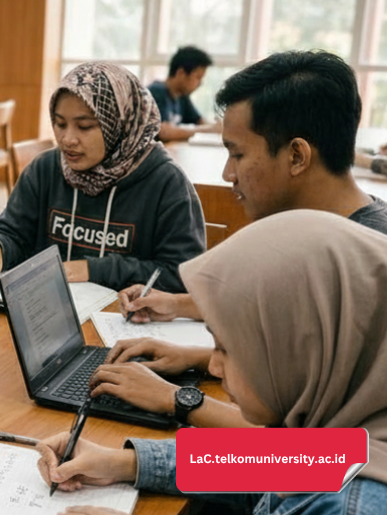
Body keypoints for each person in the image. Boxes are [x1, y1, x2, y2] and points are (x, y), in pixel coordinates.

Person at [97, 51, 387, 428]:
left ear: (297, 156)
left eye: (238, 153)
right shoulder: (329, 240)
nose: (227, 173)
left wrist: (180, 401)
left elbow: (311, 462)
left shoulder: (364, 266)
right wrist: (194, 344)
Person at [38, 211, 387, 515]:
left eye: (226, 348)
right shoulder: (355, 434)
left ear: (300, 354)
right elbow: (274, 462)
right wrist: (124, 462)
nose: (214, 367)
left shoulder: (353, 506)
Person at [0, 62, 205, 294]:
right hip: (49, 316)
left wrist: (92, 269)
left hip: (125, 322)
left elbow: (182, 275)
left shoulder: (166, 183)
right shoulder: (45, 169)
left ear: (118, 125)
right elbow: (14, 232)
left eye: (85, 127)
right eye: (59, 124)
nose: (67, 139)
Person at [147, 46, 215, 142]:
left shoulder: (182, 96)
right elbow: (164, 132)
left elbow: (200, 122)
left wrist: (214, 127)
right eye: (198, 77)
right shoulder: (156, 92)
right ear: (181, 73)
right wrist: (208, 130)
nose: (200, 83)